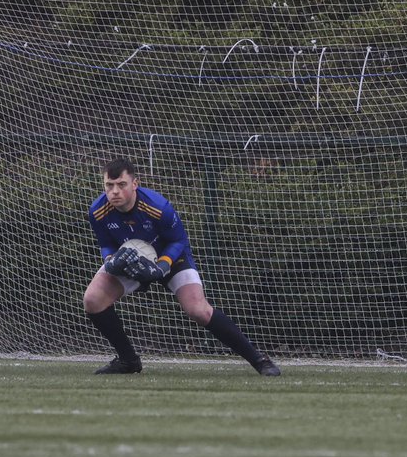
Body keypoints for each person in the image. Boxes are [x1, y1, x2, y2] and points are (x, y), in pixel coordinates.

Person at [84, 158, 281, 376]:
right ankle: (128, 361)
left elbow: (178, 241)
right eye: (109, 186)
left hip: (171, 258)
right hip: (131, 260)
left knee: (198, 310)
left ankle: (259, 360)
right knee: (93, 299)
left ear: (135, 184)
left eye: (121, 184)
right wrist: (111, 260)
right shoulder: (97, 211)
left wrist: (161, 266)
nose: (114, 191)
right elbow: (106, 244)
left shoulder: (158, 207)